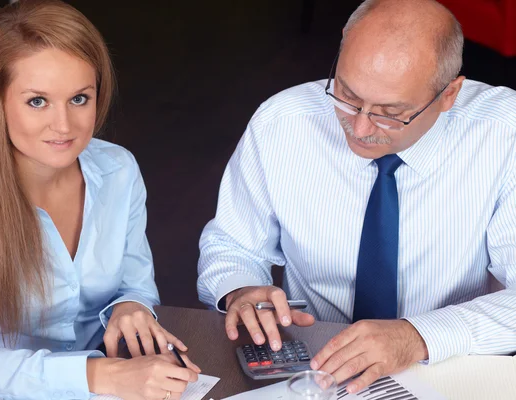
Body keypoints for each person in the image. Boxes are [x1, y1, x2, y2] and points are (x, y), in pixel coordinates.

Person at [197, 0, 516, 394]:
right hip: (313, 366)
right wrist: (241, 289)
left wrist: (414, 336)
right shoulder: (283, 123)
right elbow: (231, 243)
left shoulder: (504, 134)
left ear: (449, 94)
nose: (360, 128)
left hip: (444, 366)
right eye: (346, 95)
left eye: (390, 112)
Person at [0, 1, 199, 399]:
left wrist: (130, 306)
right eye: (37, 101)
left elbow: (137, 285)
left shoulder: (118, 170)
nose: (64, 125)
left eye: (79, 99)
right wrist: (100, 376)